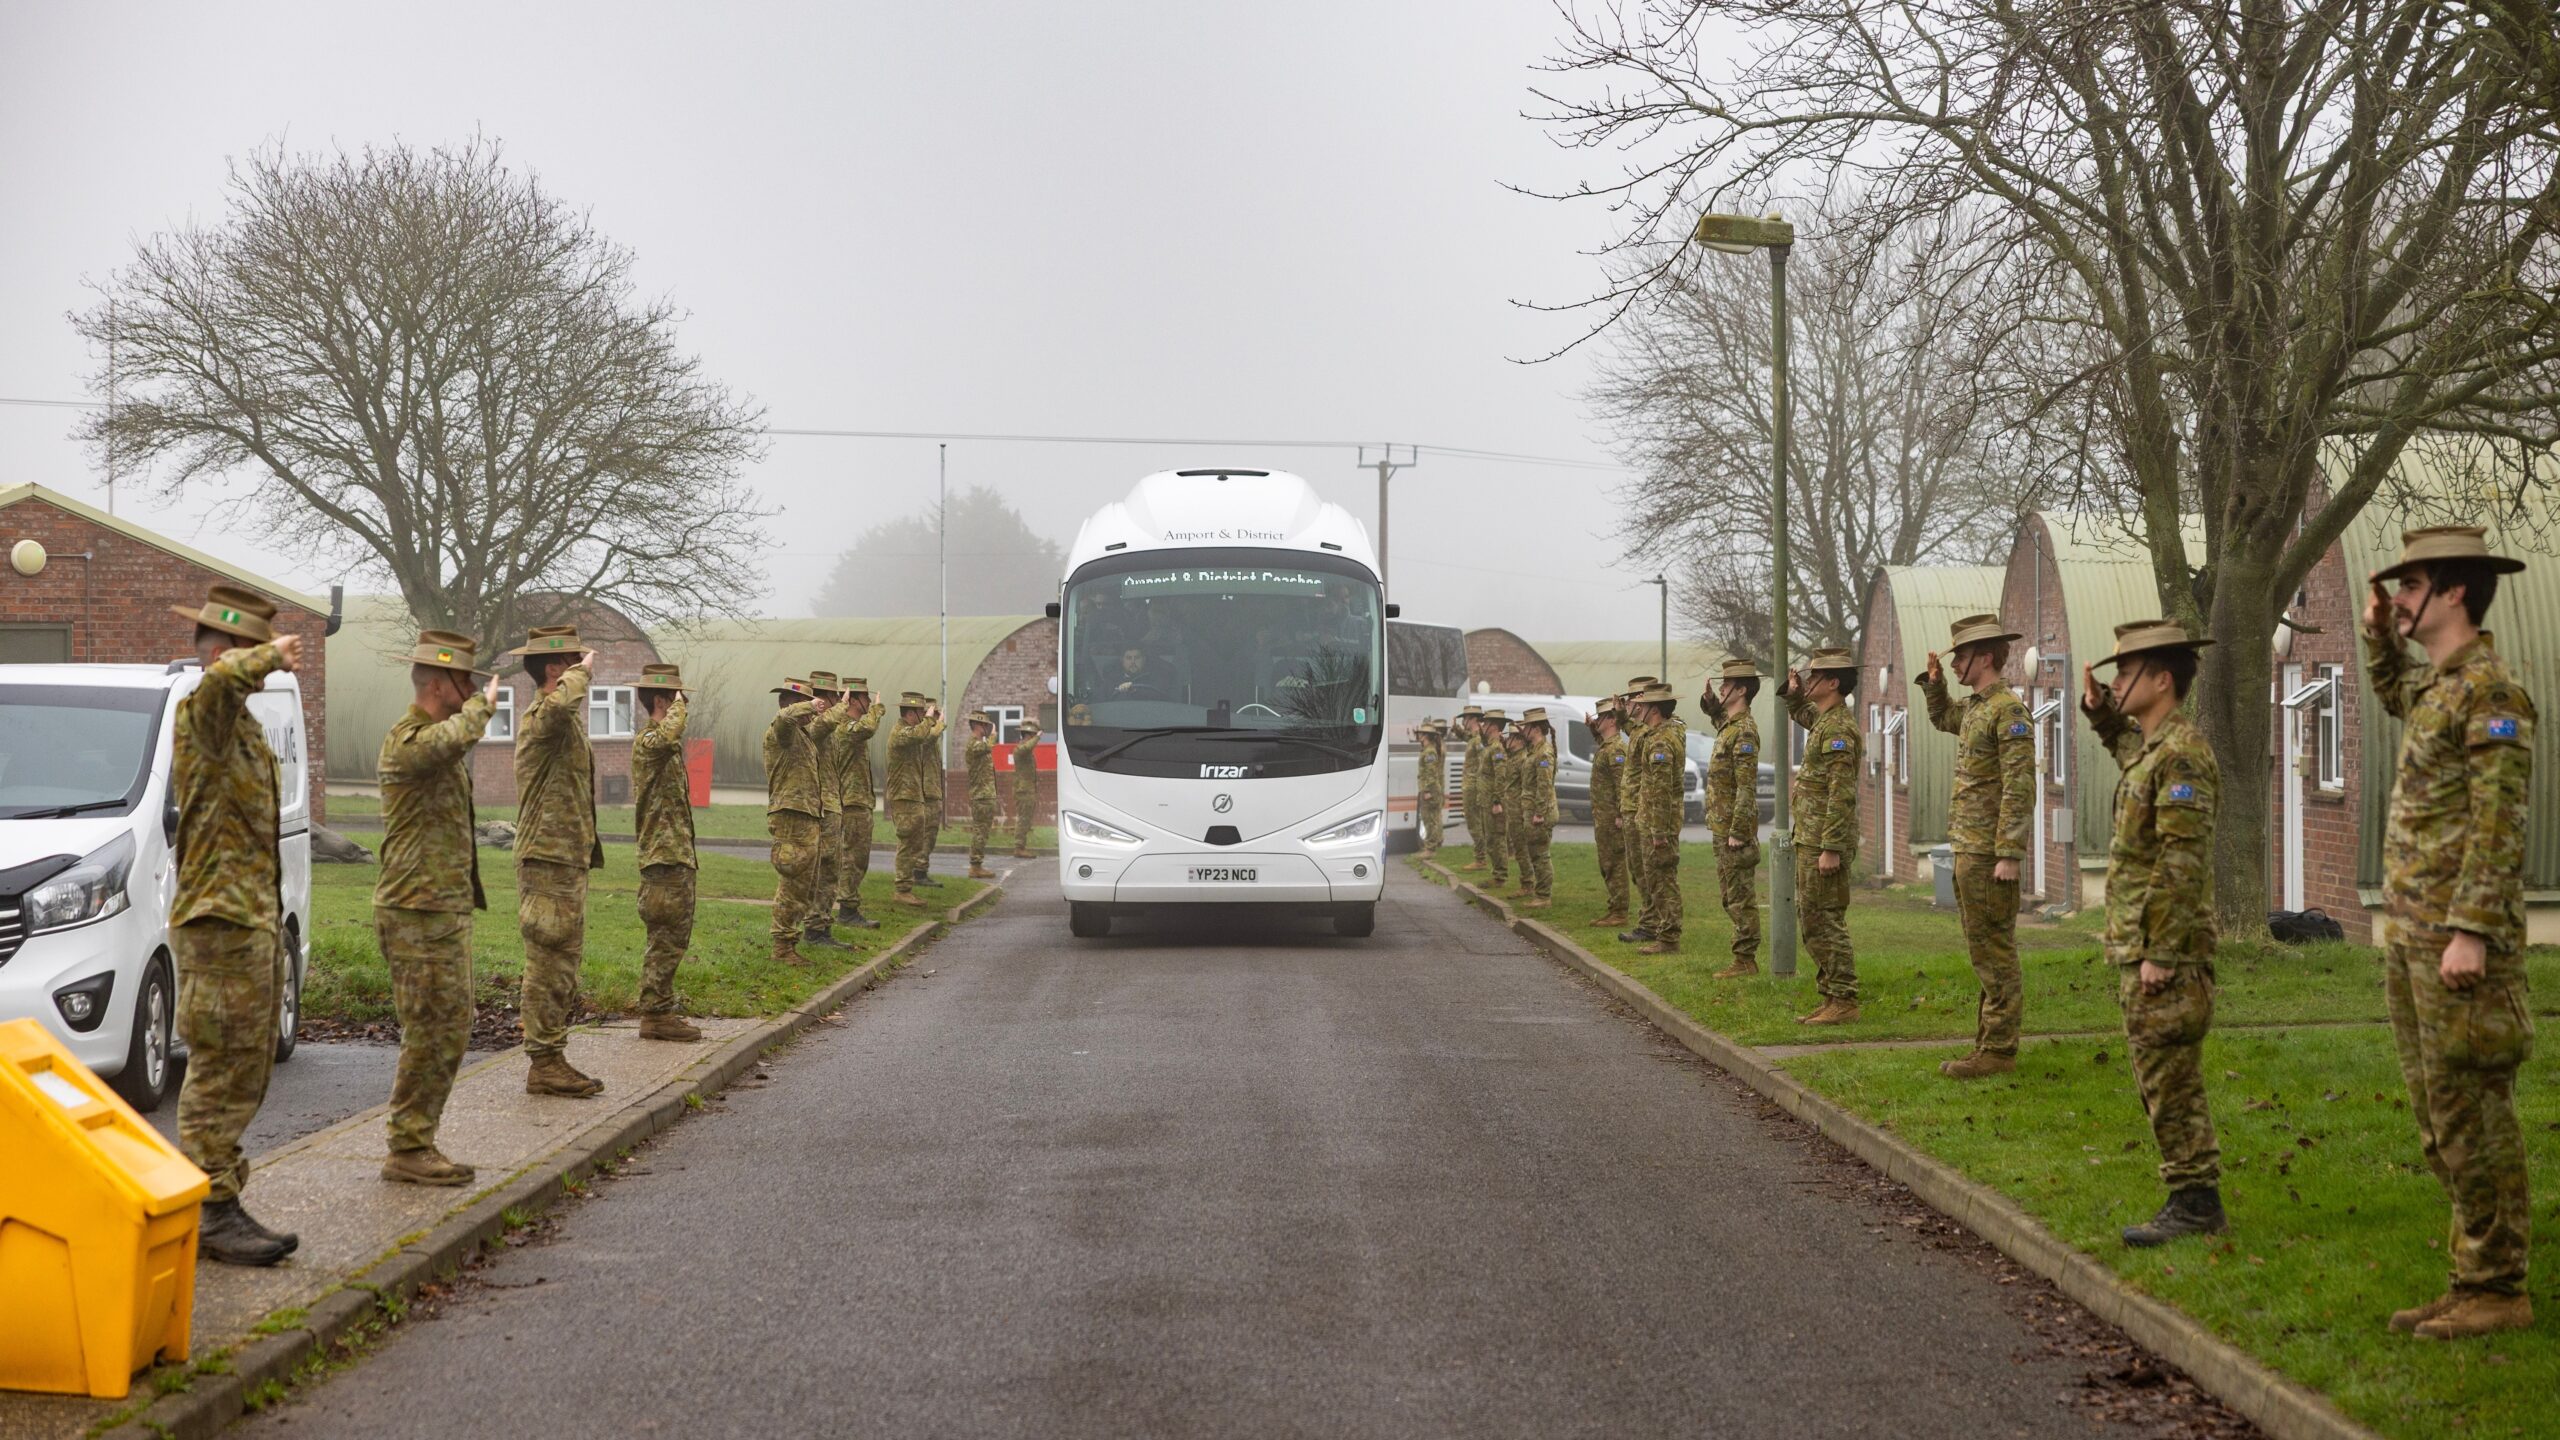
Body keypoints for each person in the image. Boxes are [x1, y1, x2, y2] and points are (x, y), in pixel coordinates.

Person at [2364, 526, 2538, 1339]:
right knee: (2441, 1120)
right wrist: (2374, 633)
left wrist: (2469, 930)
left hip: (2457, 945)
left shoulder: (2490, 694)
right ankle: (2472, 1274)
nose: (2398, 598)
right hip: (2413, 936)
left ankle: (2501, 1288)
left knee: (2474, 1111)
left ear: (2455, 591)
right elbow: (2394, 692)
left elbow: (2498, 823)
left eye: (2411, 584)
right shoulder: (2440, 688)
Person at [166, 584, 303, 1264]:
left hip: (246, 919)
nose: (266, 665)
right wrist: (267, 658)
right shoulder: (204, 712)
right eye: (250, 653)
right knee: (220, 1065)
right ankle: (208, 1208)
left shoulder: (241, 727)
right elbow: (223, 684)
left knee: (248, 1066)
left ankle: (218, 1197)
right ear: (223, 655)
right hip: (216, 922)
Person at [2081, 620, 2225, 1249]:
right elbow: (2129, 762)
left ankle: (2195, 1201)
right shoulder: (2153, 749)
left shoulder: (2183, 754)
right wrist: (2105, 719)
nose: (2115, 683)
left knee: (2171, 1078)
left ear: (2161, 679)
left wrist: (2162, 952)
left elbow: (2181, 861)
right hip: (2141, 944)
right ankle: (2191, 1195)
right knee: (2157, 1076)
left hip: (2166, 950)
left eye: (2125, 673)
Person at [373, 630, 500, 1187]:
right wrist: (483, 706)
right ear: (440, 683)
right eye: (464, 680)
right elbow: (452, 740)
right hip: (415, 909)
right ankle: (408, 1146)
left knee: (449, 1024)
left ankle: (416, 1139)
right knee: (431, 1027)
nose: (471, 688)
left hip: (439, 907)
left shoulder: (433, 739)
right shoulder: (408, 742)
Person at [1919, 615, 2036, 1077]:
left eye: (1961, 658)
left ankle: (1999, 1051)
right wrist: (1932, 686)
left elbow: (2019, 785)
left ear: (1985, 657)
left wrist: (2009, 852)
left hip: (1990, 854)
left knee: (1995, 950)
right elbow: (1942, 717)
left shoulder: (2008, 711)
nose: (1955, 666)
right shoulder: (1974, 708)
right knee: (1981, 949)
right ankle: (1988, 1045)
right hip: (1969, 849)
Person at [510, 626, 607, 1098]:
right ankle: (543, 1062)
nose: (584, 666)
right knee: (547, 961)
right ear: (555, 668)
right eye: (572, 660)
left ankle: (551, 1057)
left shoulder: (561, 721)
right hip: (547, 859)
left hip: (564, 857)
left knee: (562, 962)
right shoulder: (542, 717)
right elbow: (559, 705)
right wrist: (581, 675)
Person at [1783, 649, 1863, 1024]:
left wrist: (1831, 847)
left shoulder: (1838, 730)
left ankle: (1844, 1000)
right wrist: (1794, 691)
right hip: (1812, 837)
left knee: (1825, 920)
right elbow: (1800, 712)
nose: (1808, 680)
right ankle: (1831, 996)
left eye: (1815, 676)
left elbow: (1841, 792)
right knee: (1812, 918)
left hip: (1824, 842)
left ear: (1834, 682)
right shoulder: (1824, 720)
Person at [630, 663, 703, 1041]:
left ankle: (660, 1008)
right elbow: (665, 734)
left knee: (673, 938)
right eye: (679, 698)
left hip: (673, 855)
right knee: (664, 938)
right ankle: (655, 1014)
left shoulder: (665, 746)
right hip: (662, 858)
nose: (684, 706)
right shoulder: (649, 742)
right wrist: (676, 710)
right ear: (662, 700)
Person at [763, 678, 839, 965]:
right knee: (792, 882)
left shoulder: (803, 736)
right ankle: (782, 947)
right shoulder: (782, 730)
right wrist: (809, 704)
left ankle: (789, 944)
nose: (812, 715)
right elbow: (784, 718)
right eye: (806, 707)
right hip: (791, 816)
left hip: (808, 815)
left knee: (805, 885)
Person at [1703, 660, 1764, 977]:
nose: (1722, 688)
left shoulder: (1744, 732)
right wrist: (1713, 706)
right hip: (1722, 825)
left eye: (1726, 685)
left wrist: (1739, 831)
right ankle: (1742, 958)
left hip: (1733, 830)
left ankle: (1745, 960)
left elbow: (1746, 787)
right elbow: (1720, 722)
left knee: (1740, 897)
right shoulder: (1731, 726)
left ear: (1741, 690)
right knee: (1730, 896)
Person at [1626, 683, 1687, 954]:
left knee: (1663, 881)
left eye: (1643, 704)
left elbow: (1661, 791)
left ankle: (1669, 938)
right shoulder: (1656, 736)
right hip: (1651, 822)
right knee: (1657, 880)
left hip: (1658, 825)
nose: (1638, 708)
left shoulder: (1661, 740)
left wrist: (1659, 832)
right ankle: (1664, 934)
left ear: (1654, 709)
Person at [832, 676, 883, 929]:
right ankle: (847, 910)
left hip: (858, 799)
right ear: (853, 700)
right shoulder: (846, 727)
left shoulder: (850, 726)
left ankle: (848, 906)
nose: (868, 702)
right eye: (865, 698)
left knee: (858, 856)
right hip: (851, 801)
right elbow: (868, 728)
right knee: (853, 856)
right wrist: (877, 710)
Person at [888, 693, 947, 907]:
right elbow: (924, 734)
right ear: (911, 713)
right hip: (904, 796)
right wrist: (932, 720)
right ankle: (902, 889)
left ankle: (907, 885)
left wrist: (931, 720)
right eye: (921, 712)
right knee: (907, 842)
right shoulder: (901, 732)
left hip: (913, 795)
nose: (924, 716)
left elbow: (923, 735)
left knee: (914, 842)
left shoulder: (911, 733)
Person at [805, 671, 848, 938]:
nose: (837, 701)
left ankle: (821, 923)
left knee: (831, 868)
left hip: (832, 804)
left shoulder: (829, 726)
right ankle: (815, 926)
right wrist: (842, 706)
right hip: (822, 806)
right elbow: (822, 725)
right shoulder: (813, 724)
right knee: (823, 868)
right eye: (833, 696)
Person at [1585, 701, 1631, 928]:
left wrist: (1621, 814)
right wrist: (1592, 728)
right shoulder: (1607, 746)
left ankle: (1620, 912)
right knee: (1606, 862)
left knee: (1615, 863)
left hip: (1613, 818)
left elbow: (1621, 783)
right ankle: (1614, 906)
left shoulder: (1616, 749)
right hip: (1603, 816)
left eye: (1600, 718)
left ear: (1612, 720)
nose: (1597, 721)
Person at [1514, 708, 1559, 908]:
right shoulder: (1534, 750)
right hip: (1532, 811)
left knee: (1541, 855)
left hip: (1539, 813)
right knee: (1535, 854)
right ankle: (1540, 894)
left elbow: (1544, 785)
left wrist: (1539, 813)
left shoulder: (1543, 753)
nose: (1523, 730)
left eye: (1526, 726)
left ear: (1536, 728)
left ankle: (1543, 896)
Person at [964, 710, 1000, 878]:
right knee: (980, 830)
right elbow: (986, 747)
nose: (987, 728)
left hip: (985, 795)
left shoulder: (979, 743)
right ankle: (975, 866)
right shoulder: (973, 744)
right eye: (985, 725)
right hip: (981, 796)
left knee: (983, 831)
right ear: (977, 725)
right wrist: (993, 736)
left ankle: (977, 864)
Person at [1480, 710, 1514, 889]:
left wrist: (1497, 801)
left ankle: (1500, 876)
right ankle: (1497, 874)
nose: (1483, 727)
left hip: (1494, 803)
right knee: (1490, 839)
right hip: (1486, 801)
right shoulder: (1491, 746)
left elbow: (1501, 776)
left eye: (1486, 724)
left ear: (1493, 726)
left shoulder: (1497, 749)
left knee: (1497, 839)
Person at [1455, 703, 1488, 871]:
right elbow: (1466, 736)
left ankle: (1481, 858)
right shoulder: (1474, 737)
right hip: (1471, 784)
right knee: (1476, 821)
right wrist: (1456, 728)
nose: (1464, 721)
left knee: (1474, 821)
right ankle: (1482, 856)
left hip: (1474, 785)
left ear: (1474, 719)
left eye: (1466, 718)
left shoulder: (1479, 740)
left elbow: (1484, 763)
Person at [1009, 710, 1042, 858]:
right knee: (1023, 818)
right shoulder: (1020, 750)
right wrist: (1038, 738)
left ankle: (1022, 846)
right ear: (1028, 736)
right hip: (1023, 791)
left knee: (1026, 818)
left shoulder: (1026, 750)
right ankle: (1019, 847)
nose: (1035, 739)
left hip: (1028, 790)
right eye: (1033, 736)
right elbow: (1027, 747)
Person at [1416, 719, 1448, 857]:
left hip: (1430, 790)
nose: (1419, 736)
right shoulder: (1429, 750)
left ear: (1425, 736)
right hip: (1429, 788)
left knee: (1430, 820)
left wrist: (1428, 791)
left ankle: (1430, 849)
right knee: (1430, 818)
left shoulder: (1430, 752)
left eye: (1421, 734)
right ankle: (1432, 846)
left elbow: (1431, 773)